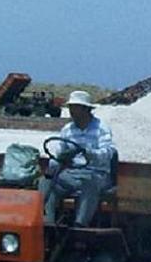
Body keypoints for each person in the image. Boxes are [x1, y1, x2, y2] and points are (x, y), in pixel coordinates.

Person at [38, 90, 116, 226]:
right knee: (45, 182)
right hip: (72, 174)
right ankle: (47, 222)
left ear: (86, 109)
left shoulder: (101, 129)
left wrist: (89, 153)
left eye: (76, 108)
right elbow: (59, 153)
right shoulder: (67, 129)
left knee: (89, 183)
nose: (72, 111)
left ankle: (80, 225)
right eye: (71, 108)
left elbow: (109, 152)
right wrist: (54, 165)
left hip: (97, 173)